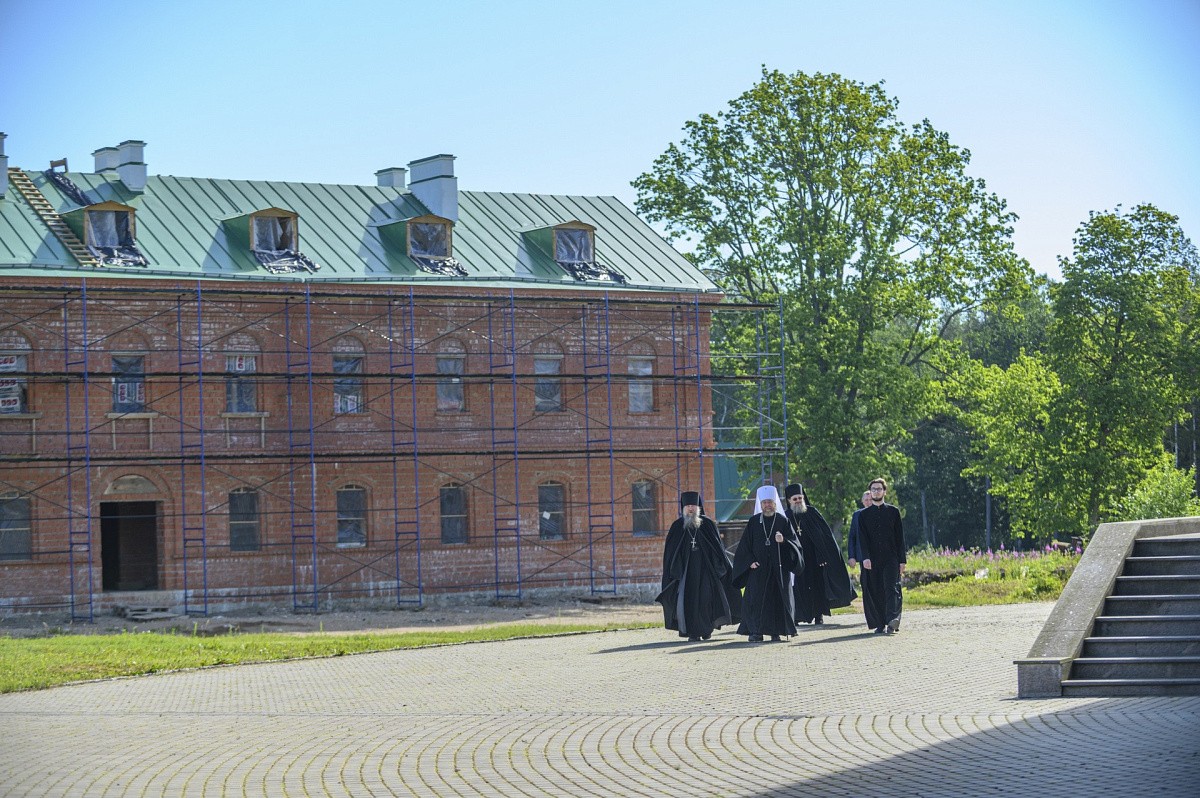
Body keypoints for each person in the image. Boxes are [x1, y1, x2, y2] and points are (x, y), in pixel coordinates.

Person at [656, 491, 742, 641]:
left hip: (706, 571)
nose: (691, 509)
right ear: (683, 508)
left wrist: (722, 567)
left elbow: (718, 549)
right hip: (686, 573)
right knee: (688, 601)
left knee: (707, 599)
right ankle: (693, 633)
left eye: (693, 506)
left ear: (698, 507)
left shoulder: (707, 524)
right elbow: (670, 553)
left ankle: (707, 629)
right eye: (688, 506)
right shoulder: (677, 526)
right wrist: (673, 571)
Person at [731, 485, 802, 642]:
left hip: (778, 569)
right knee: (756, 602)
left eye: (770, 502)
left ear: (775, 503)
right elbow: (744, 547)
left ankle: (776, 632)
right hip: (758, 570)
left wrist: (784, 541)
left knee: (777, 602)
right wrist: (750, 562)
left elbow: (795, 545)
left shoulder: (783, 521)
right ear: (761, 504)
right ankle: (756, 631)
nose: (767, 505)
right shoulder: (754, 522)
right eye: (764, 503)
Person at [784, 484, 856, 625]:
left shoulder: (812, 512)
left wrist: (822, 555)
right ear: (789, 500)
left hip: (814, 558)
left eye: (800, 498)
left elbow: (824, 536)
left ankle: (818, 615)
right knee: (798, 587)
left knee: (817, 586)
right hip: (796, 559)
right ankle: (798, 616)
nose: (798, 501)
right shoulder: (786, 516)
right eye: (795, 499)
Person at [858, 478, 906, 635]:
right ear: (870, 492)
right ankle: (880, 623)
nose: (876, 492)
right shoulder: (863, 515)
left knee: (891, 588)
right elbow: (862, 539)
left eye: (879, 489)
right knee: (876, 590)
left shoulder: (893, 512)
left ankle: (892, 621)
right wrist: (865, 557)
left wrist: (902, 560)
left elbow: (900, 538)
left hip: (891, 558)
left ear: (884, 492)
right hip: (872, 559)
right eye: (873, 489)